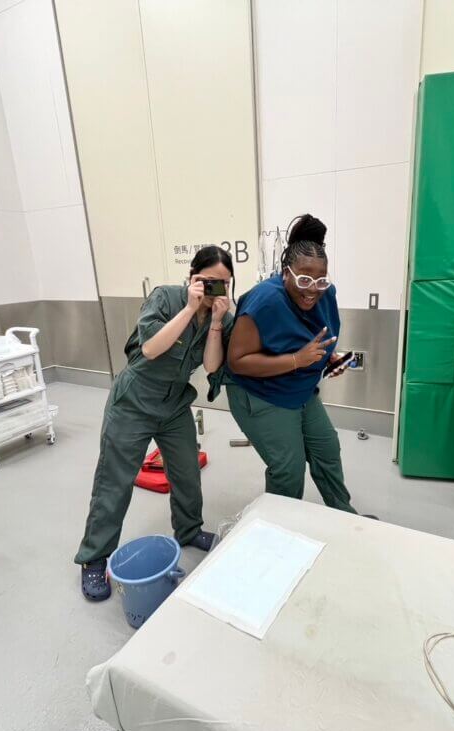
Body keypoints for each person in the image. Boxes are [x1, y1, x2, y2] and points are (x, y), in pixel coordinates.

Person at [76, 246, 234, 601]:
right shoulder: (166, 298)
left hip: (174, 403)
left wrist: (216, 323)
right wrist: (191, 308)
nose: (216, 291)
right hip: (134, 400)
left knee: (187, 472)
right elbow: (149, 348)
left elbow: (210, 367)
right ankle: (93, 558)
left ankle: (189, 530)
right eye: (209, 282)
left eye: (224, 284)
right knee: (115, 481)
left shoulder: (220, 315)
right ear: (192, 277)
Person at [224, 214, 357, 515]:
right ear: (286, 273)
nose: (312, 289)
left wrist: (328, 358)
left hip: (299, 388)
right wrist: (298, 360)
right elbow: (238, 361)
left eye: (320, 279)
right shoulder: (264, 301)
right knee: (288, 468)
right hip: (260, 392)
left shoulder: (325, 294)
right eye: (304, 279)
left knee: (327, 449)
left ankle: (343, 515)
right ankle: (279, 530)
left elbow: (315, 337)